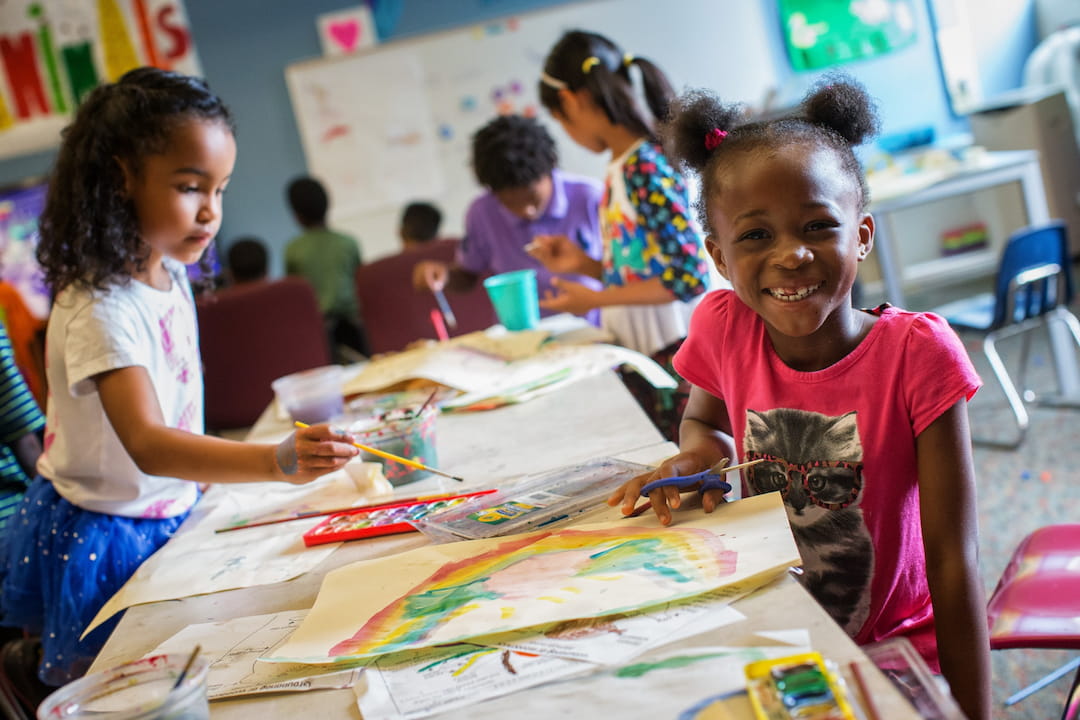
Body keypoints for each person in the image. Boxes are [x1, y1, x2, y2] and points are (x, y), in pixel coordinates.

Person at [609, 78, 991, 719]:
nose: (791, 254)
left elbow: (954, 560)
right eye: (756, 236)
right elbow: (703, 420)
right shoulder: (722, 328)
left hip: (895, 654)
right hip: (778, 637)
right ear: (719, 257)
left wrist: (972, 712)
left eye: (818, 226)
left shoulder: (918, 355)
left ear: (861, 235)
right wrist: (695, 455)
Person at [0, 67, 359, 687]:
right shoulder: (99, 307)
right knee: (136, 686)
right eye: (191, 187)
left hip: (169, 507)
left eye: (220, 189)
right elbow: (148, 442)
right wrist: (274, 462)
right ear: (122, 177)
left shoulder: (167, 270)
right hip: (108, 530)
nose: (211, 212)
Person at [531, 30, 714, 440]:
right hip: (653, 355)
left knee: (692, 464)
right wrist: (586, 265)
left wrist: (594, 299)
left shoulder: (643, 167)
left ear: (571, 101)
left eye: (560, 120)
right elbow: (648, 272)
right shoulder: (623, 167)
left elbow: (688, 277)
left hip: (678, 360)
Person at [410, 114, 604, 323]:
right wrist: (444, 275)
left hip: (594, 326)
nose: (527, 211)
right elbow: (467, 274)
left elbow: (623, 274)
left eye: (533, 197)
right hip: (520, 334)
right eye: (510, 202)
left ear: (551, 166)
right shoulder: (482, 212)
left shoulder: (591, 197)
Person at [284, 176, 369, 360]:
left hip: (319, 333)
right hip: (356, 329)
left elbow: (295, 299)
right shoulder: (348, 242)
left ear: (297, 215)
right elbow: (362, 286)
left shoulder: (293, 250)